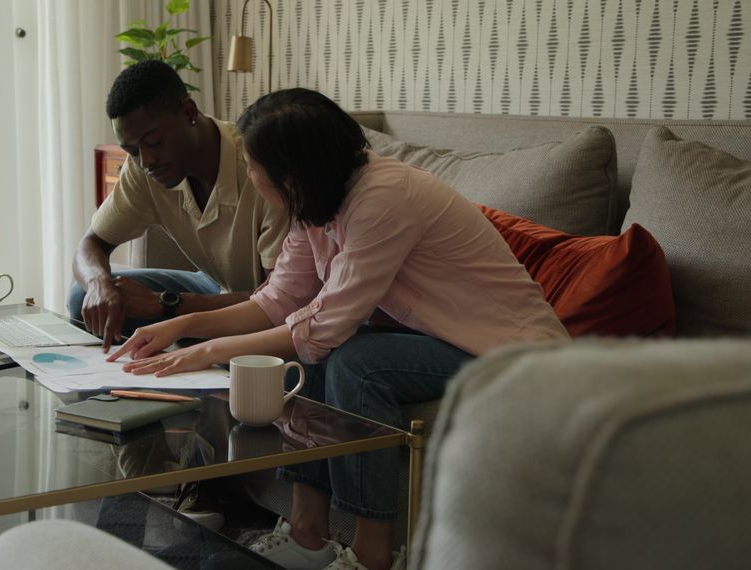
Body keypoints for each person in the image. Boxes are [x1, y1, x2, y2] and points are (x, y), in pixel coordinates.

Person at [107, 88, 570, 570]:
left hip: (510, 354)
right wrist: (181, 325)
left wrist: (207, 352)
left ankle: (373, 554)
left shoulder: (383, 199)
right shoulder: (317, 202)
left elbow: (323, 325)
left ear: (289, 173)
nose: (249, 176)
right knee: (324, 355)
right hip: (441, 339)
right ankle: (308, 534)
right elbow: (278, 300)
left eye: (251, 166)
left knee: (355, 363)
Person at [70, 60, 290, 350]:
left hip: (264, 304)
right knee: (82, 297)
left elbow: (282, 299)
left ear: (188, 112)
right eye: (132, 151)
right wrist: (99, 284)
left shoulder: (260, 170)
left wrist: (169, 306)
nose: (146, 161)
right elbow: (91, 244)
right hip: (216, 287)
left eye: (154, 141)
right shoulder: (142, 168)